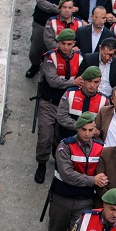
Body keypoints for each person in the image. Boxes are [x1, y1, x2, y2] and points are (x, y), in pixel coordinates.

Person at [44, 111, 107, 231]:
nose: (87, 134)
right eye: (84, 130)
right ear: (78, 129)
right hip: (62, 198)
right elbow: (67, 175)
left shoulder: (100, 149)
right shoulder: (65, 146)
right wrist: (92, 180)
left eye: (91, 129)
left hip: (84, 200)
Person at [34, 28, 83, 184]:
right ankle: (41, 163)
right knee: (44, 136)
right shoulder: (50, 58)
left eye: (69, 44)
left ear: (74, 44)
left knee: (61, 136)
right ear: (58, 43)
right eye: (63, 43)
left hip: (68, 105)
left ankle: (58, 159)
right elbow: (53, 81)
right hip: (49, 103)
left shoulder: (80, 59)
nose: (66, 47)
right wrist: (72, 83)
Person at [27, 0, 74, 79]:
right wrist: (60, 10)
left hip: (60, 24)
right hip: (42, 22)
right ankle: (35, 65)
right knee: (36, 49)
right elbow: (41, 2)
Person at [57, 66, 110, 140]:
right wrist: (81, 127)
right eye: (89, 81)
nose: (92, 85)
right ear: (83, 80)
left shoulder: (105, 100)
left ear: (100, 82)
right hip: (67, 137)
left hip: (92, 142)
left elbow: (105, 125)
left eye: (96, 82)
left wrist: (93, 131)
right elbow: (61, 116)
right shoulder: (69, 93)